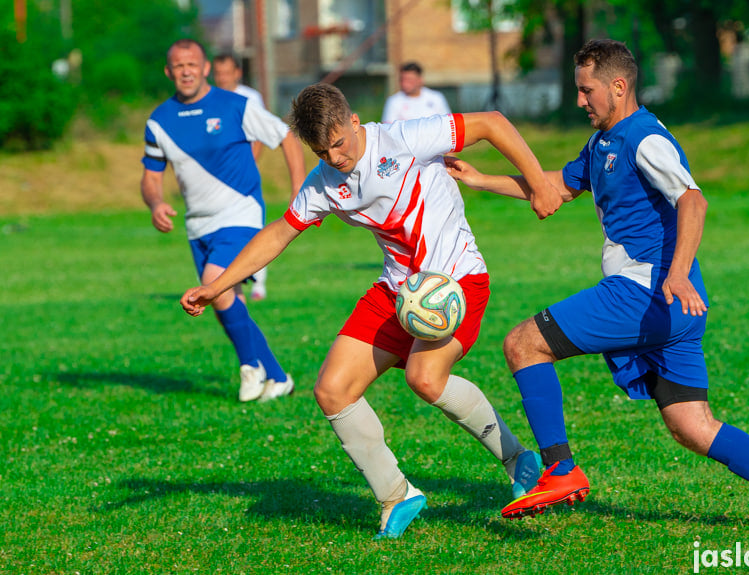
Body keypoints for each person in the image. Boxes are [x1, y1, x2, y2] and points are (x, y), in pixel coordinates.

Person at [445, 39, 749, 536]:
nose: (580, 101)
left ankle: (560, 470)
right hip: (676, 305)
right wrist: (479, 180)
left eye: (587, 92)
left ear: (618, 86)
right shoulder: (603, 142)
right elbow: (555, 188)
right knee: (692, 426)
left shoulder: (644, 139)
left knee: (524, 343)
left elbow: (693, 201)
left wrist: (674, 272)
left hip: (648, 291)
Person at [181, 82, 562, 539]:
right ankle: (397, 494)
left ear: (355, 121)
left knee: (424, 378)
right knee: (332, 390)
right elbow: (280, 232)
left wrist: (539, 184)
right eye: (323, 151)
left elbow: (491, 124)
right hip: (397, 292)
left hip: (454, 282)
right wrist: (217, 286)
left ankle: (518, 460)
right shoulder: (324, 182)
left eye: (340, 143)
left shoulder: (404, 139)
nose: (336, 157)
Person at [141, 39, 306, 403]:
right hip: (197, 225)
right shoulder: (159, 122)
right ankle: (278, 377)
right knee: (225, 300)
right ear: (169, 72)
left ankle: (250, 367)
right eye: (177, 65)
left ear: (204, 69)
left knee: (212, 285)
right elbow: (152, 176)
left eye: (192, 64)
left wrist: (298, 191)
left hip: (240, 213)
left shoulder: (236, 106)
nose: (185, 71)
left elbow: (286, 137)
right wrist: (155, 203)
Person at [212, 52, 270, 300]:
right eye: (218, 73)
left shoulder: (250, 97)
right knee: (219, 225)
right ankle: (220, 279)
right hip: (217, 178)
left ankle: (258, 282)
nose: (222, 78)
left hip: (243, 177)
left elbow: (259, 135)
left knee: (253, 228)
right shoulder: (210, 98)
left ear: (237, 73)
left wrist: (249, 165)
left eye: (227, 73)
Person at [382, 61, 451, 123]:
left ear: (420, 80)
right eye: (402, 80)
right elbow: (388, 128)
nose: (404, 84)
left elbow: (447, 123)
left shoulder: (436, 98)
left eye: (409, 80)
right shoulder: (394, 101)